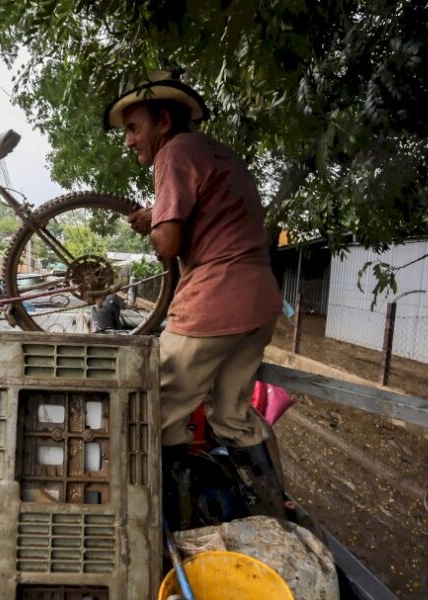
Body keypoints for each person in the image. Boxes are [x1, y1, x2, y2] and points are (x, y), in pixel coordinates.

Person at [103, 72, 287, 519]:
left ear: (162, 122)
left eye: (133, 128)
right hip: (259, 301)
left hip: (214, 300)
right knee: (232, 416)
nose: (129, 142)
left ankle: (175, 525)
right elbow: (210, 214)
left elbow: (168, 243)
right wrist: (158, 213)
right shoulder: (218, 153)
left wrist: (158, 226)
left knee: (156, 408)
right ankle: (273, 514)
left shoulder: (174, 152)